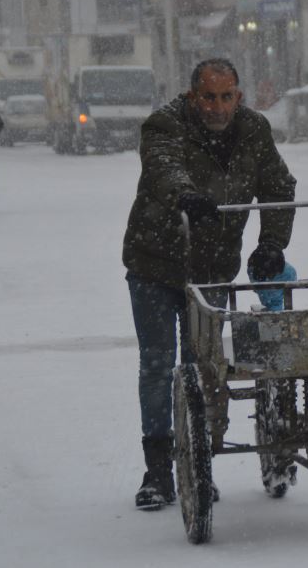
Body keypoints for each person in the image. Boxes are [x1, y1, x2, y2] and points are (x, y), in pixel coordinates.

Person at [122, 58, 297, 510]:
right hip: (156, 264)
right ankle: (159, 471)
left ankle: (199, 462)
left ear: (239, 96)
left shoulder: (254, 130)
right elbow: (163, 168)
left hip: (213, 268)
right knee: (160, 365)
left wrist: (272, 243)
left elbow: (278, 183)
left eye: (226, 97)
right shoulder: (165, 124)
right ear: (191, 95)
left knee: (205, 365)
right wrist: (185, 195)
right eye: (208, 97)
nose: (217, 108)